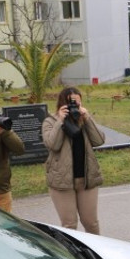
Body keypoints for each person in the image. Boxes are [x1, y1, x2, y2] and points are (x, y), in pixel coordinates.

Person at [42, 87, 105, 234]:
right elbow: (53, 145)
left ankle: (94, 249)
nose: (74, 106)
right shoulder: (50, 121)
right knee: (69, 225)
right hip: (62, 180)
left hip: (86, 179)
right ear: (62, 103)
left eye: (77, 102)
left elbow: (99, 140)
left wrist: (87, 117)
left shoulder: (83, 120)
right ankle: (71, 250)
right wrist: (60, 121)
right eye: (71, 103)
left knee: (91, 223)